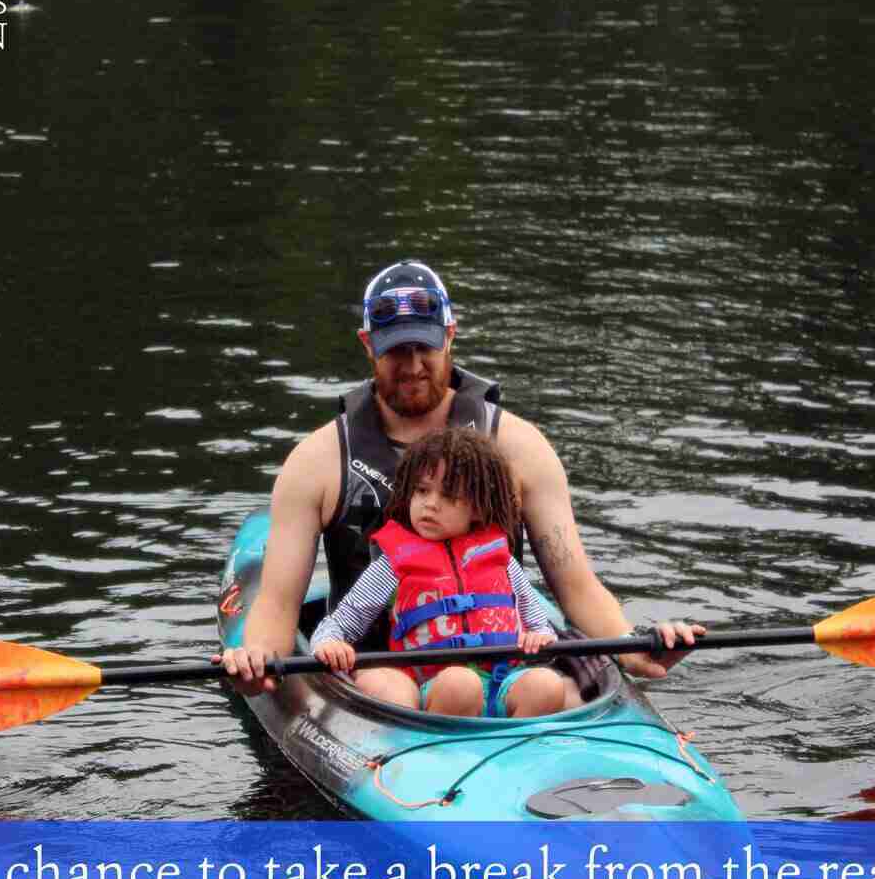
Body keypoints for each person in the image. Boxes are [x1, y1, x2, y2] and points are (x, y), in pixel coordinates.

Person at [220, 259, 701, 704]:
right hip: (376, 675)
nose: (411, 367)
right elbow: (280, 604)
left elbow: (574, 584)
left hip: (500, 665)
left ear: (450, 335)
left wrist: (636, 652)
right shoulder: (318, 460)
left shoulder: (520, 447)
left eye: (423, 348)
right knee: (401, 693)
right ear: (367, 345)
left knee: (550, 691)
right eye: (394, 352)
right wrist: (258, 660)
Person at [308, 427, 571, 719]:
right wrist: (328, 643)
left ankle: (512, 744)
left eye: (448, 495)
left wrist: (540, 638)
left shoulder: (501, 560)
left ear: (478, 510)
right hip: (434, 686)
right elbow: (340, 624)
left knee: (547, 685)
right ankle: (444, 751)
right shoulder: (392, 563)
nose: (430, 503)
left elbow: (540, 626)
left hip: (503, 681)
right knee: (461, 684)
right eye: (422, 490)